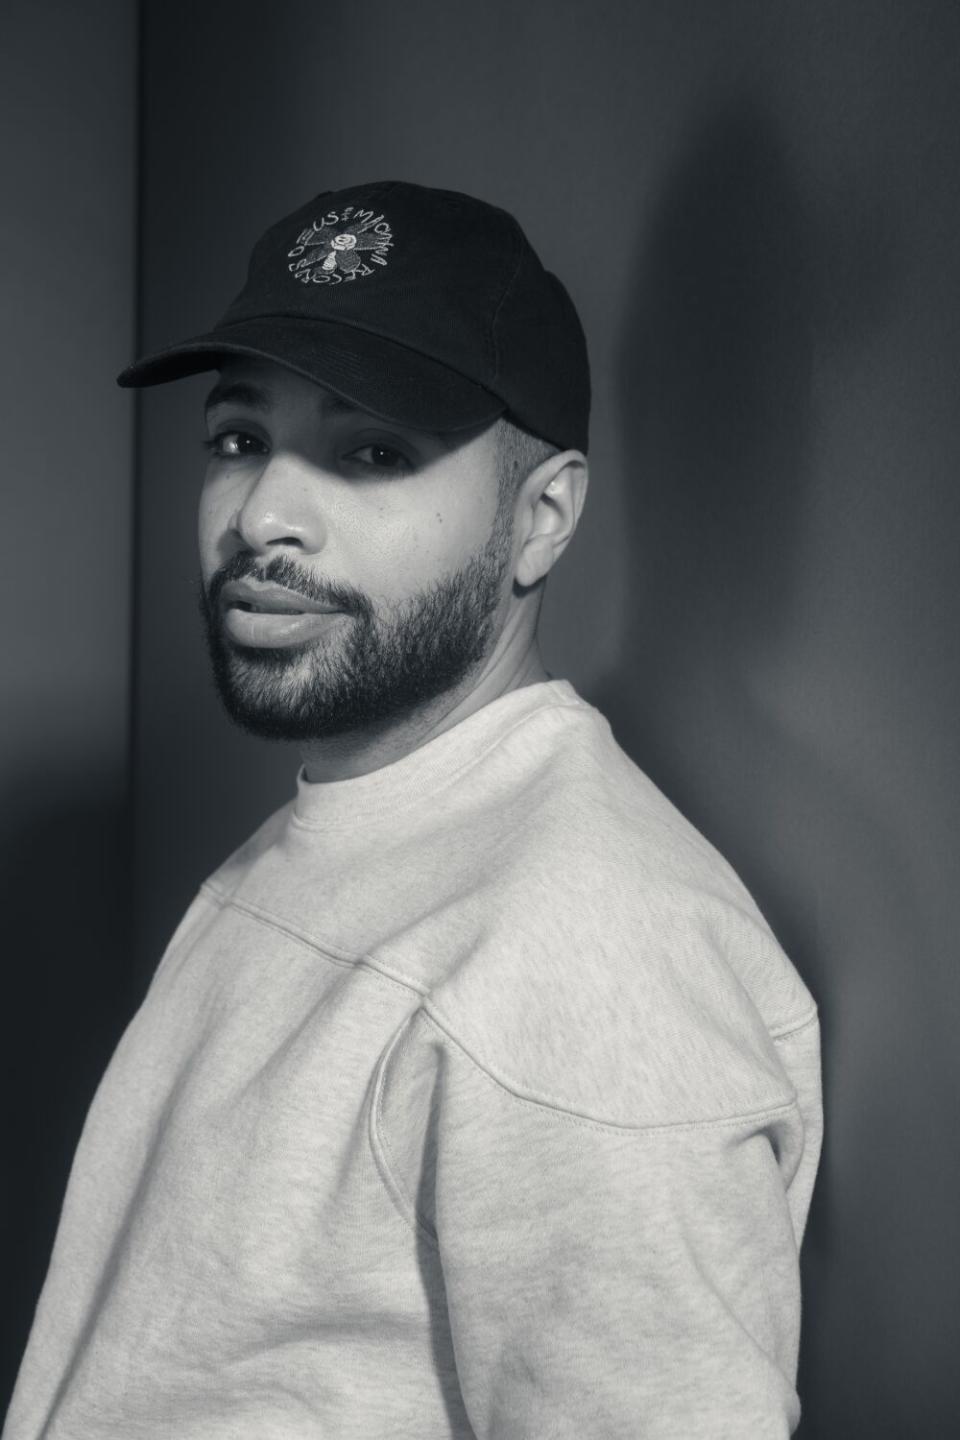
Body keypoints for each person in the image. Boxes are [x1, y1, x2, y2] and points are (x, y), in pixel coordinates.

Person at [4, 180, 822, 1439]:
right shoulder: (358, 818)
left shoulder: (588, 957)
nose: (263, 516)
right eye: (237, 439)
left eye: (372, 450)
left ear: (539, 519)